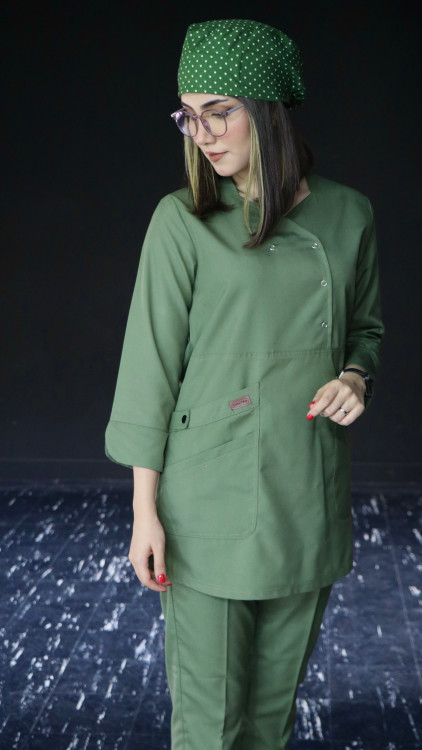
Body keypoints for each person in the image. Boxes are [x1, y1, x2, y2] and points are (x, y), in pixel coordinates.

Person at [105, 18, 384, 750]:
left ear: (268, 110)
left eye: (218, 111)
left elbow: (366, 331)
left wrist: (356, 377)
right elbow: (148, 371)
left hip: (307, 493)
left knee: (269, 721)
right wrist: (144, 512)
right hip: (208, 505)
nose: (201, 132)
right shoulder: (183, 222)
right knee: (209, 726)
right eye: (187, 115)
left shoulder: (348, 214)